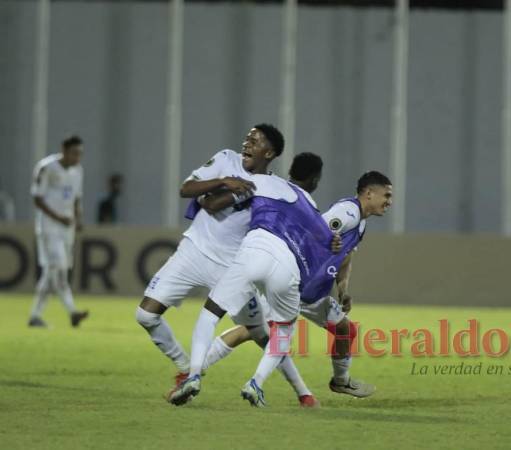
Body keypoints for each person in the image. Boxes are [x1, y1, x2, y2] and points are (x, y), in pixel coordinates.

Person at [135, 125, 319, 407]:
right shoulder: (226, 159)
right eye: (247, 137)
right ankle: (186, 367)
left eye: (254, 141)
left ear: (268, 153)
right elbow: (187, 190)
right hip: (193, 251)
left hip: (232, 264)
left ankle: (303, 392)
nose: (246, 142)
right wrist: (225, 180)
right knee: (145, 316)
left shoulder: (269, 186)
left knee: (260, 333)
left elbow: (214, 204)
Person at [202, 171, 393, 398]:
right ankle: (196, 370)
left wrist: (342, 289)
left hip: (314, 292)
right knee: (251, 331)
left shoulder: (360, 223)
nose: (389, 202)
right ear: (369, 193)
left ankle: (340, 382)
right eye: (386, 195)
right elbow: (313, 232)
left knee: (344, 330)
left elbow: (346, 254)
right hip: (293, 283)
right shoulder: (347, 212)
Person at [167, 173, 337, 407]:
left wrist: (211, 193)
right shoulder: (309, 206)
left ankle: (193, 374)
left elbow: (211, 203)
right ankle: (270, 387)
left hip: (250, 257)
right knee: (276, 334)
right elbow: (326, 244)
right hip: (284, 269)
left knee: (219, 317)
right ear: (315, 182)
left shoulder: (262, 182)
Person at [28, 135, 88, 328]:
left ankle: (35, 316)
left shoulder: (78, 171)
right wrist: (58, 218)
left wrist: (77, 219)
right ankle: (72, 311)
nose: (77, 158)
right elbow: (37, 199)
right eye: (74, 153)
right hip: (49, 227)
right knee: (60, 269)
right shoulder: (46, 167)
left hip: (66, 228)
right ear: (64, 149)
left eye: (80, 154)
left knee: (51, 272)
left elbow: (77, 198)